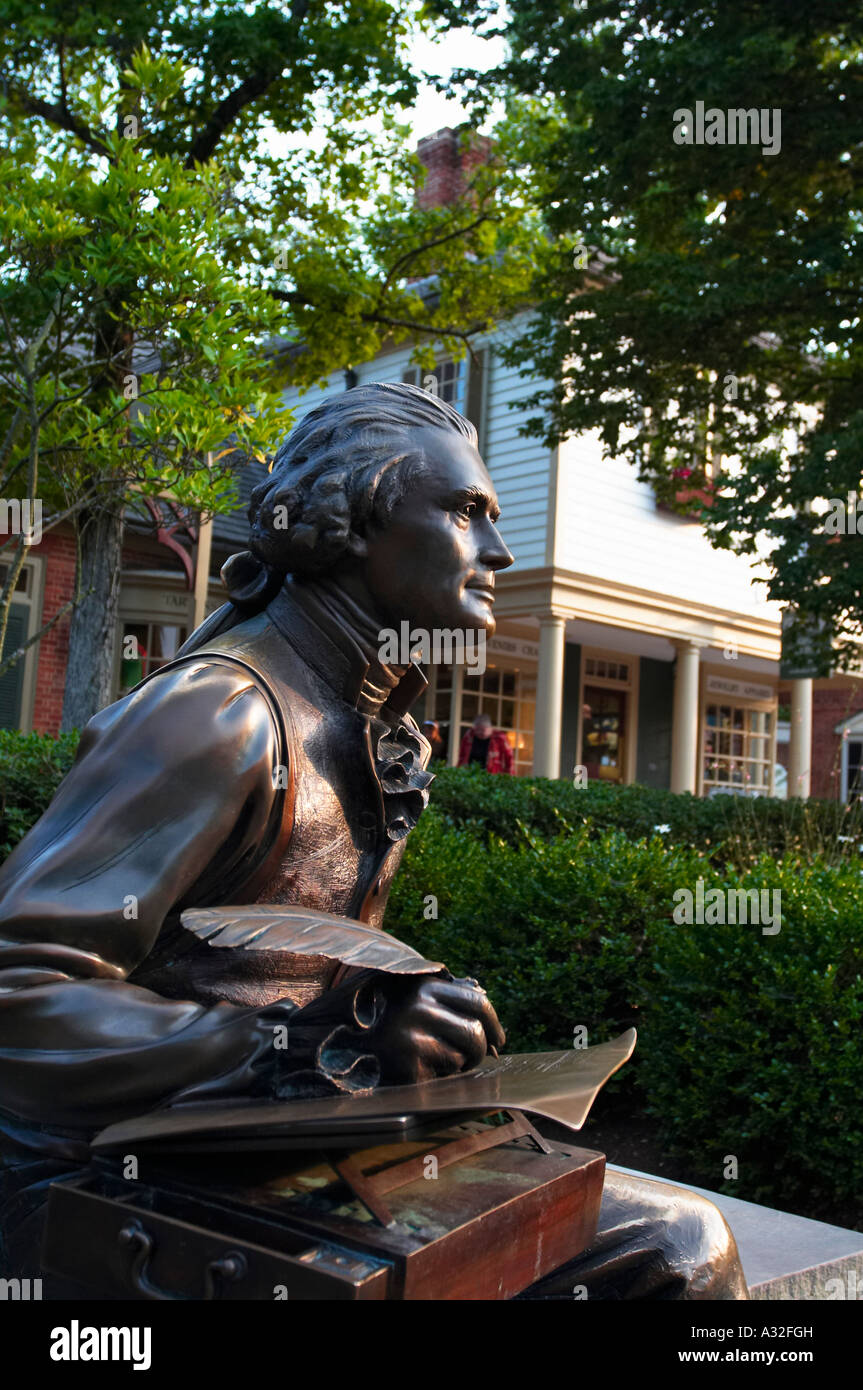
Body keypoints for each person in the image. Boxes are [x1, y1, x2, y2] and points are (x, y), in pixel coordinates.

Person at [0, 382, 747, 1298]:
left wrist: (394, 1010)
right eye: (466, 514)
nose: (498, 552)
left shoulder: (368, 717)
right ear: (352, 524)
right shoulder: (221, 715)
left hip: (254, 1145)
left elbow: (276, 961)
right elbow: (19, 990)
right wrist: (302, 1045)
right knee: (675, 1250)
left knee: (659, 1242)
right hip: (96, 1181)